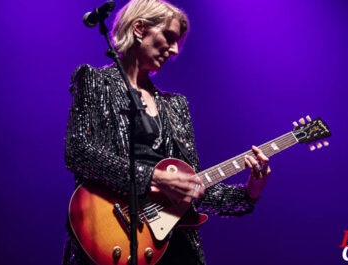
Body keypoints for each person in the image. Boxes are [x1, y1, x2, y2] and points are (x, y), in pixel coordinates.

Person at [62, 0, 271, 264]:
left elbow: (192, 192)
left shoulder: (176, 106)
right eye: (169, 37)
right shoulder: (95, 81)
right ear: (139, 28)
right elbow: (78, 152)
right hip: (108, 236)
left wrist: (251, 190)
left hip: (173, 248)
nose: (174, 50)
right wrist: (155, 177)